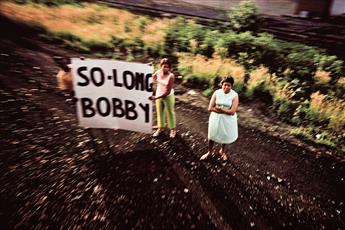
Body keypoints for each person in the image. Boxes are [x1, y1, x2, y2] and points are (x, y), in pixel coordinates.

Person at [200, 76, 239, 161]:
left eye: (229, 85)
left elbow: (232, 111)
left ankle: (222, 151)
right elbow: (210, 108)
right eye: (225, 85)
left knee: (224, 134)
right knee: (212, 134)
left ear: (231, 86)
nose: (226, 87)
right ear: (222, 85)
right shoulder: (217, 93)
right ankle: (209, 152)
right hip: (216, 117)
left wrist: (220, 109)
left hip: (228, 120)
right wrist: (225, 111)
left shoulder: (235, 95)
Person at [149, 58, 176, 138]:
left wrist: (155, 97)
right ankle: (161, 128)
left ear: (169, 67)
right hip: (158, 94)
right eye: (164, 66)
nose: (165, 68)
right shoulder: (158, 72)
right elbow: (152, 77)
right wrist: (149, 68)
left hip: (168, 96)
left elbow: (168, 91)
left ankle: (173, 129)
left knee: (170, 113)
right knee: (160, 112)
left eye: (167, 67)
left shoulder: (171, 76)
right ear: (161, 66)